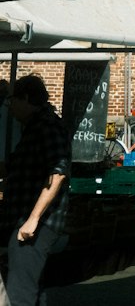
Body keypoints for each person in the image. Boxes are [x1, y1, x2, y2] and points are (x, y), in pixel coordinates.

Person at [0, 74, 70, 306]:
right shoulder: (34, 127)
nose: (10, 108)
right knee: (32, 288)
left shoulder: (47, 127)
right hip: (26, 219)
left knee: (20, 292)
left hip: (36, 225)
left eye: (13, 102)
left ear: (27, 98)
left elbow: (58, 173)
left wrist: (32, 219)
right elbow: (23, 166)